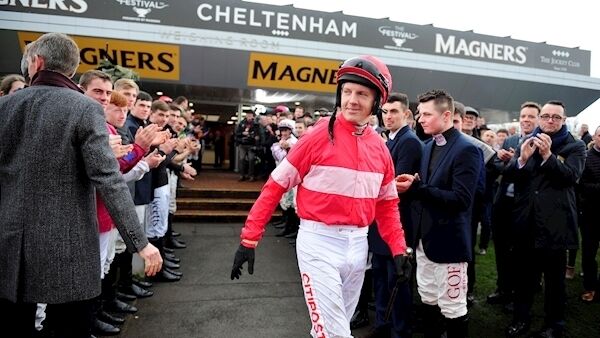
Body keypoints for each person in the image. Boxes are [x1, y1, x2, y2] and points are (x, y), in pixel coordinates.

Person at [230, 55, 412, 338]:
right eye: (347, 91)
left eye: (362, 94)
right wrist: (249, 238)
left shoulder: (380, 148)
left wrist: (399, 250)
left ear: (377, 101)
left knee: (324, 330)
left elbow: (387, 206)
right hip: (318, 243)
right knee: (335, 333)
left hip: (358, 245)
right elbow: (274, 187)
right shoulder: (315, 137)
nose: (352, 100)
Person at [0, 32, 162, 337]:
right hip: (68, 245)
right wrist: (140, 242)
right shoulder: (84, 108)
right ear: (72, 70)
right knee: (68, 327)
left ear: (36, 62)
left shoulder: (6, 107)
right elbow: (108, 179)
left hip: (9, 243)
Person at [399, 89, 482, 338]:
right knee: (428, 300)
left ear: (446, 115)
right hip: (424, 240)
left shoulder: (467, 149)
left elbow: (462, 200)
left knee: (453, 308)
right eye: (419, 113)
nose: (420, 119)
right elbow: (426, 189)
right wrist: (413, 186)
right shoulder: (426, 146)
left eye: (426, 114)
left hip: (449, 245)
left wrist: (418, 188)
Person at [504, 100, 585, 338]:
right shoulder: (525, 141)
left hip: (554, 224)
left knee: (554, 282)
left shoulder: (575, 146)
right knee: (524, 279)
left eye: (556, 117)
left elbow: (571, 177)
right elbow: (510, 175)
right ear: (540, 119)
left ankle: (554, 325)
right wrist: (521, 160)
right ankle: (521, 319)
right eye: (546, 116)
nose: (550, 120)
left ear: (563, 120)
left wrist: (548, 156)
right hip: (526, 222)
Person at [366, 92, 423, 338]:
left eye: (394, 112)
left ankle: (399, 330)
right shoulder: (387, 139)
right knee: (380, 277)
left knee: (396, 281)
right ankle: (383, 325)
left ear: (407, 115)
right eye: (385, 111)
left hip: (397, 221)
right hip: (380, 221)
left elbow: (395, 185)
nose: (388, 116)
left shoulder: (408, 141)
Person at [487, 101, 540, 307]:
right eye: (523, 116)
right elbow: (498, 164)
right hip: (503, 203)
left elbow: (533, 173)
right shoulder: (510, 138)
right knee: (500, 248)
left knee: (520, 253)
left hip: (525, 206)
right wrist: (508, 161)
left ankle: (517, 295)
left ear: (538, 119)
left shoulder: (540, 142)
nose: (526, 120)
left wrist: (515, 161)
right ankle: (503, 289)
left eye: (531, 116)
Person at [579, 126, 600, 303]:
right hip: (591, 214)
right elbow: (582, 186)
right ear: (595, 136)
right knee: (589, 253)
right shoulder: (586, 157)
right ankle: (590, 286)